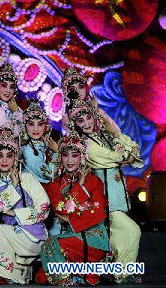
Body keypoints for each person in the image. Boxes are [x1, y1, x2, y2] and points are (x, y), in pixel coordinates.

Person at [68, 99, 143, 283]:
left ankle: (122, 273)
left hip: (118, 197)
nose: (86, 123)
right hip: (104, 199)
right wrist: (124, 145)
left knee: (119, 238)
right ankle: (122, 273)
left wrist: (121, 141)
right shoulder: (85, 145)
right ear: (75, 125)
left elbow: (134, 148)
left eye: (88, 117)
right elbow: (118, 157)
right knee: (131, 231)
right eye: (80, 121)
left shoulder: (104, 136)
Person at [36, 133, 109, 286]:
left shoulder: (93, 180)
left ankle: (67, 279)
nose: (69, 160)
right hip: (68, 236)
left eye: (74, 155)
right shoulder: (55, 184)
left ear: (81, 157)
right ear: (60, 157)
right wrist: (80, 188)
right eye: (65, 155)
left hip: (93, 237)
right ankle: (82, 273)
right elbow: (59, 208)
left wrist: (71, 218)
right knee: (41, 277)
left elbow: (97, 211)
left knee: (49, 247)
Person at [0, 128, 50, 285]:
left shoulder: (27, 178)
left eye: (9, 156)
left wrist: (14, 213)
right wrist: (14, 187)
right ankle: (16, 275)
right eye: (0, 156)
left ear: (16, 158)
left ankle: (5, 276)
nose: (4, 161)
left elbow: (44, 207)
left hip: (33, 237)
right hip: (10, 238)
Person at [61, 67, 120, 135]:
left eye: (81, 87)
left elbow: (117, 133)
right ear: (66, 93)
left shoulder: (97, 111)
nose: (78, 91)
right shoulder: (68, 118)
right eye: (72, 89)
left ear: (86, 88)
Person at [20, 99, 58, 185]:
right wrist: (56, 152)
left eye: (40, 124)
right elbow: (49, 174)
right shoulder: (27, 150)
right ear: (24, 126)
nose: (36, 129)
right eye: (31, 124)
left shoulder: (44, 144)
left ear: (46, 126)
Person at [0, 62, 23, 136]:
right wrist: (16, 113)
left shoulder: (18, 109)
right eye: (4, 85)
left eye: (11, 87)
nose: (8, 91)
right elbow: (11, 135)